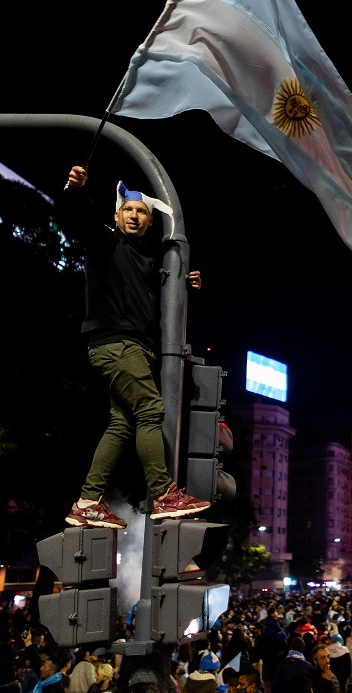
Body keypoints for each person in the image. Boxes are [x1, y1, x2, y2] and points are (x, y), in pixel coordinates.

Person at [60, 166, 211, 528]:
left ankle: (87, 502)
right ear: (116, 216)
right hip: (116, 345)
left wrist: (182, 283)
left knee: (122, 424)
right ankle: (163, 495)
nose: (134, 215)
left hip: (132, 349)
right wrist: (76, 190)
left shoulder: (147, 261)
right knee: (150, 411)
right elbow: (81, 218)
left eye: (142, 211)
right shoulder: (105, 243)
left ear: (150, 222)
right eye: (128, 209)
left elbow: (158, 303)